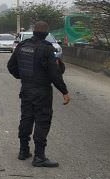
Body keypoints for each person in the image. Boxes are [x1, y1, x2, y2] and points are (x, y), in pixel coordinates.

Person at [7, 21, 71, 168]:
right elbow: (55, 74)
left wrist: (22, 77)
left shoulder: (22, 46)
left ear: (34, 32)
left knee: (26, 119)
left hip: (26, 89)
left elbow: (11, 66)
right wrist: (64, 92)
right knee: (42, 121)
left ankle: (23, 151)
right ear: (47, 34)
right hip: (42, 91)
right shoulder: (47, 49)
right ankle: (39, 157)